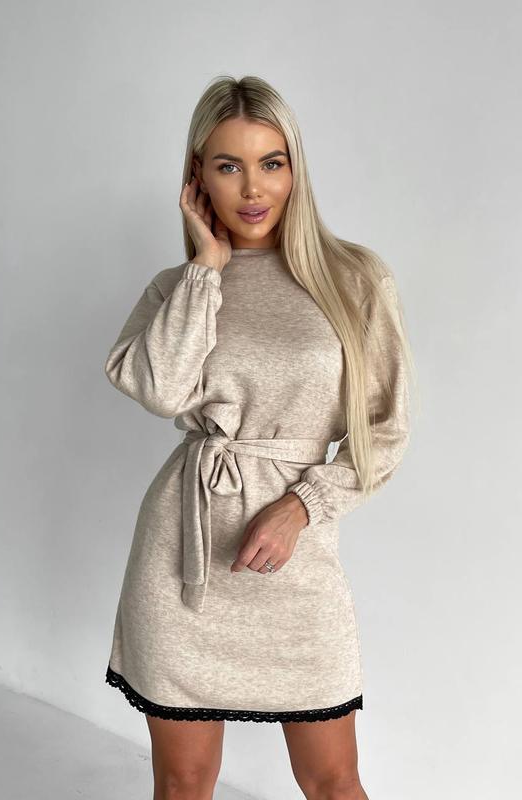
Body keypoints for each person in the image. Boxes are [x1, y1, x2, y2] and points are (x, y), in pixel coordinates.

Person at [103, 74, 415, 800]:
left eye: (271, 162)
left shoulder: (354, 279)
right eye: (228, 165)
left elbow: (386, 430)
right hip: (182, 563)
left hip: (298, 560)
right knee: (183, 782)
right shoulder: (175, 287)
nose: (252, 188)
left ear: (295, 168)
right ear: (197, 177)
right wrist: (206, 270)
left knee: (334, 781)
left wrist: (303, 506)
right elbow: (160, 390)